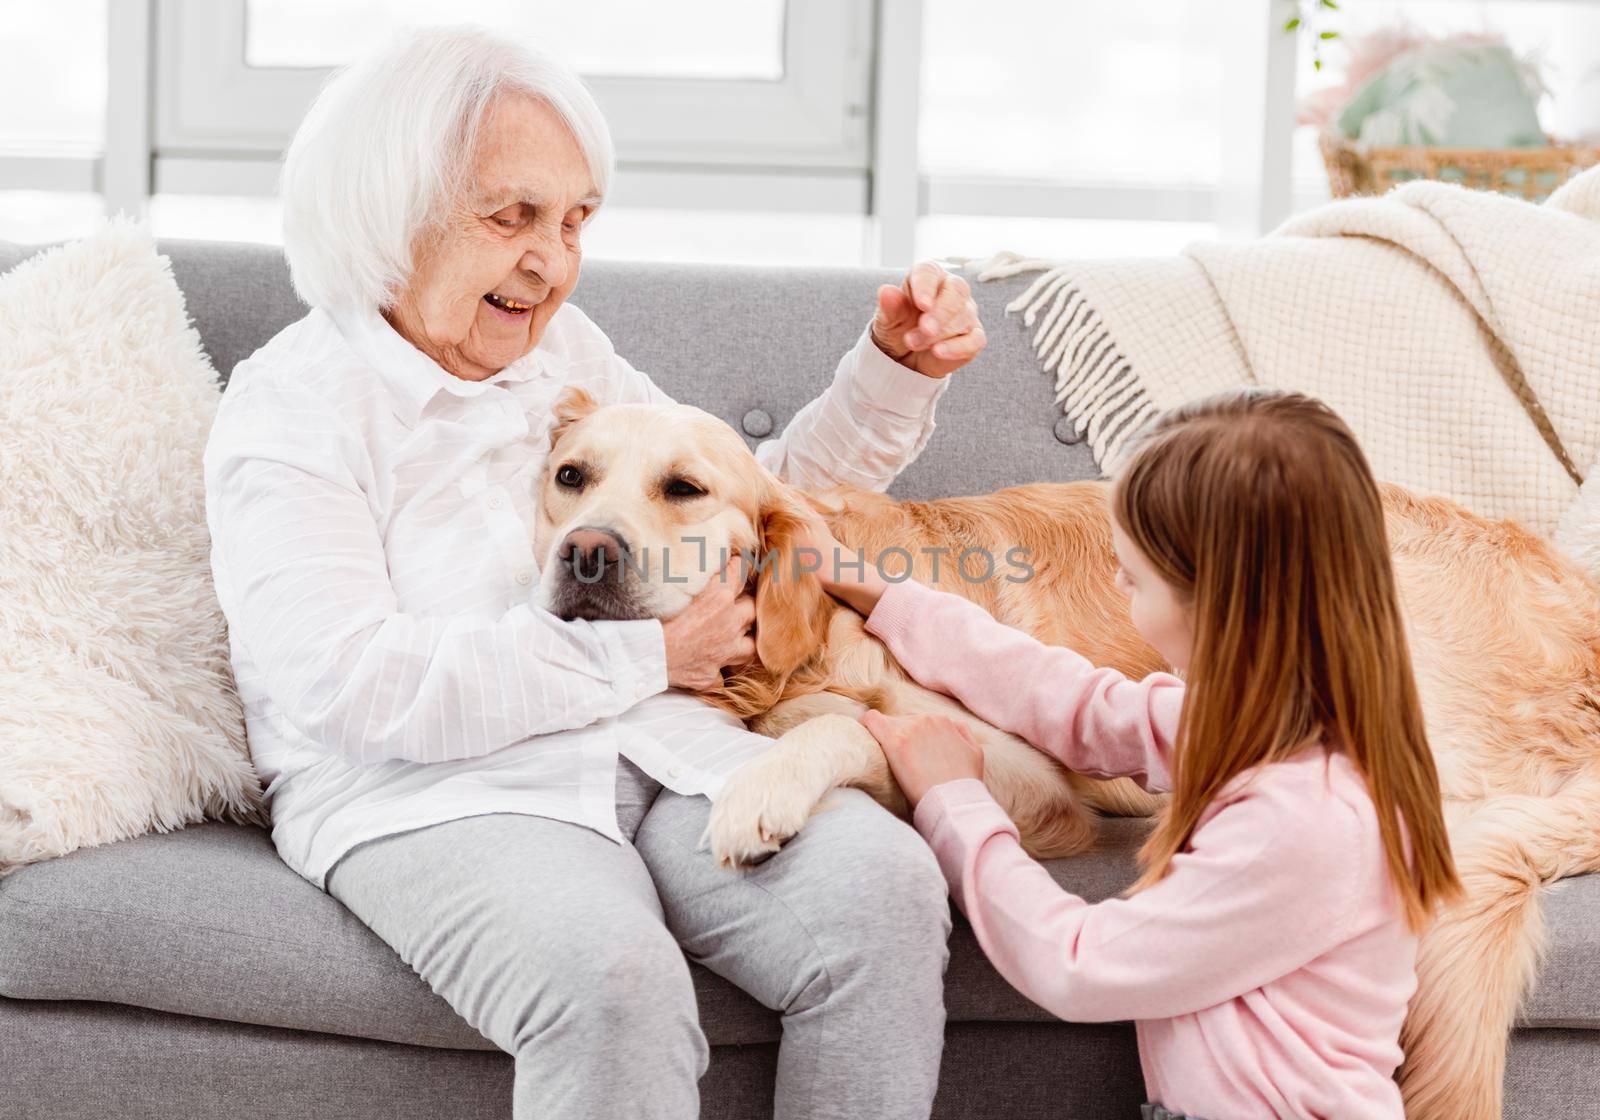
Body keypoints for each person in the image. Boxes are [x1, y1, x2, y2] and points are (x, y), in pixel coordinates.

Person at [202, 23, 987, 1120]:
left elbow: (734, 502)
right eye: (510, 215)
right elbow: (346, 683)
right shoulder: (292, 409)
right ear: (390, 205)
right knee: (613, 982)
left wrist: (888, 377)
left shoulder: (564, 357)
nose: (551, 261)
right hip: (430, 792)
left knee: (882, 888)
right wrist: (643, 652)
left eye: (573, 221)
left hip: (657, 747)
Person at [808, 386, 1462, 1120]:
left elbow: (1078, 964)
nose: (1115, 585)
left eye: (1132, 575)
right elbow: (1074, 704)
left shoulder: (1305, 819)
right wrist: (886, 596)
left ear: (1218, 602)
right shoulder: (1256, 723)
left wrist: (953, 801)